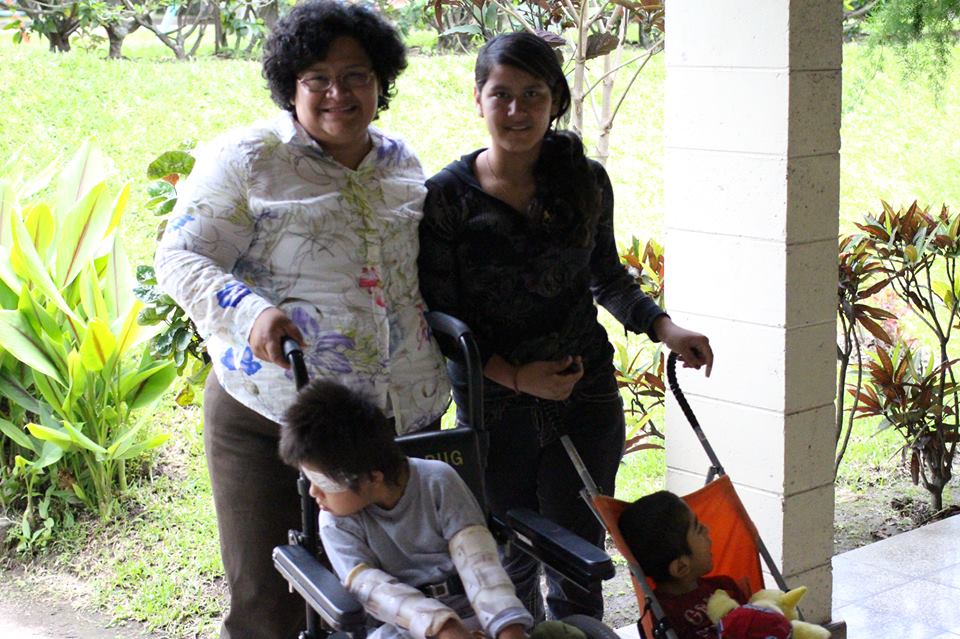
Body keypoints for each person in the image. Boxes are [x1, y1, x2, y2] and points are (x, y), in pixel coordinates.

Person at [154, 3, 449, 637]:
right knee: (270, 603)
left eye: (357, 75)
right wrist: (250, 311)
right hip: (272, 415)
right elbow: (179, 256)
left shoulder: (401, 162)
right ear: (291, 86)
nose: (338, 93)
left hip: (394, 423)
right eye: (318, 78)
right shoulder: (249, 158)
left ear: (381, 82)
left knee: (392, 596)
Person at [417, 32, 713, 621]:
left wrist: (665, 328)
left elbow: (607, 277)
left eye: (534, 93)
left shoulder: (585, 181)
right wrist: (516, 377)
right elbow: (440, 320)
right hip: (495, 408)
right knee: (508, 556)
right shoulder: (446, 198)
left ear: (556, 99)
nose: (517, 109)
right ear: (478, 99)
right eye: (502, 94)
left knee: (579, 558)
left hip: (586, 396)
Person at [279, 380, 534, 639]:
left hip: (475, 613)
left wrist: (508, 627)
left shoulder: (438, 481)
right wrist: (442, 627)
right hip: (402, 627)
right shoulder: (335, 521)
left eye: (323, 483)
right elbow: (370, 588)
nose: (313, 492)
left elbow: (479, 562)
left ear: (373, 478)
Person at [619, 491, 749, 639]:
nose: (707, 529)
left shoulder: (725, 586)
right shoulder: (663, 616)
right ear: (681, 567)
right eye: (699, 529)